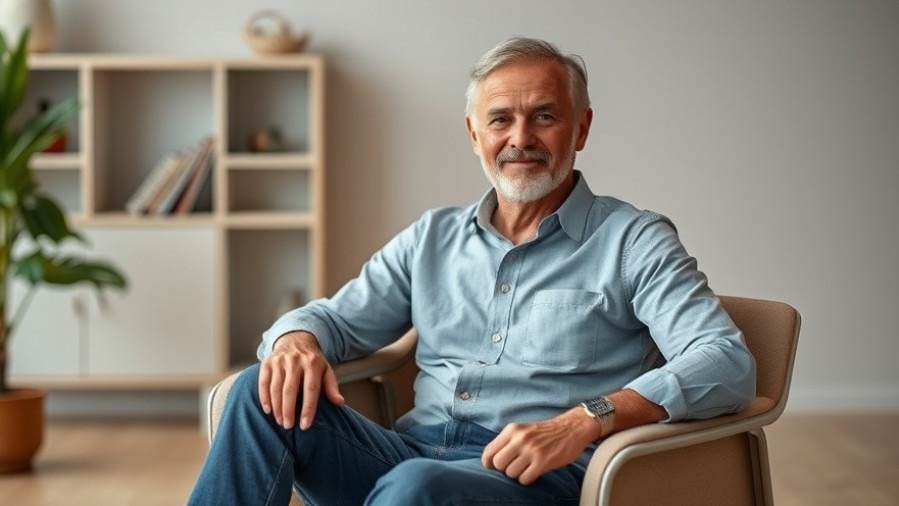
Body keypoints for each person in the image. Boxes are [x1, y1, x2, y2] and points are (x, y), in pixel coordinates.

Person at [189, 36, 756, 505]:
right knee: (255, 391)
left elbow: (726, 361)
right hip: (406, 460)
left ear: (581, 129)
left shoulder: (635, 241)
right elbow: (334, 320)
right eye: (501, 119)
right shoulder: (432, 237)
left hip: (533, 479)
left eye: (544, 117)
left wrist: (588, 418)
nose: (520, 139)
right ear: (474, 135)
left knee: (417, 488)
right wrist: (295, 339)